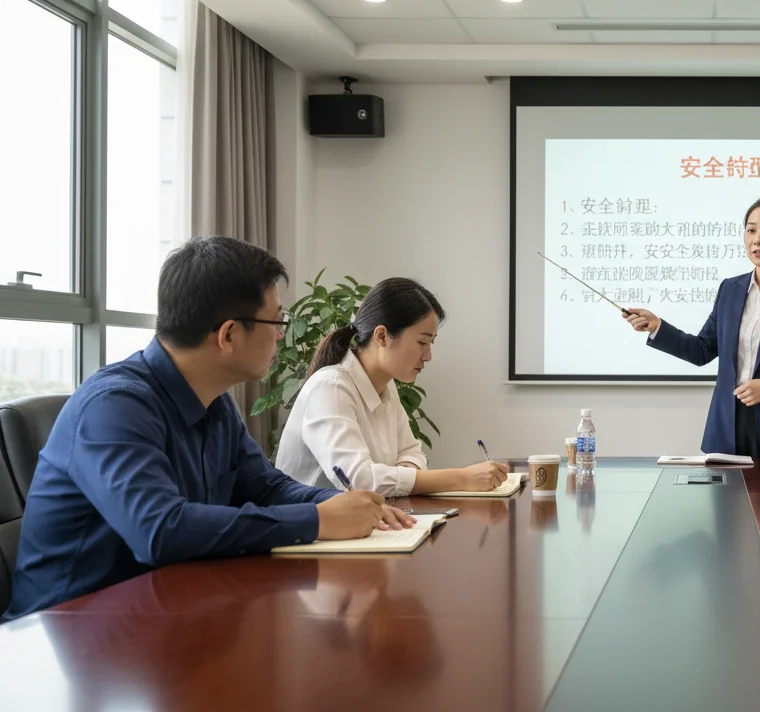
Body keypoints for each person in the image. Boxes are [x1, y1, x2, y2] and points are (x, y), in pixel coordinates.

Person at [3, 237, 410, 622]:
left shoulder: (214, 401)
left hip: (160, 612)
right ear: (229, 334)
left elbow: (266, 487)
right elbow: (160, 530)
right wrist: (317, 519)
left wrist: (347, 504)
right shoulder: (113, 407)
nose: (282, 334)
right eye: (277, 321)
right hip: (62, 634)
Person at [625, 196, 760, 459]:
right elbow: (702, 350)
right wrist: (657, 327)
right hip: (727, 425)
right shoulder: (730, 289)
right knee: (725, 488)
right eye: (751, 230)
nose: (757, 240)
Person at [276, 277, 507, 495]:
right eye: (422, 342)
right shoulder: (330, 388)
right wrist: (460, 478)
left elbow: (412, 452)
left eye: (431, 343)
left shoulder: (386, 387)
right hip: (312, 523)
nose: (428, 356)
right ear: (382, 336)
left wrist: (399, 476)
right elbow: (358, 480)